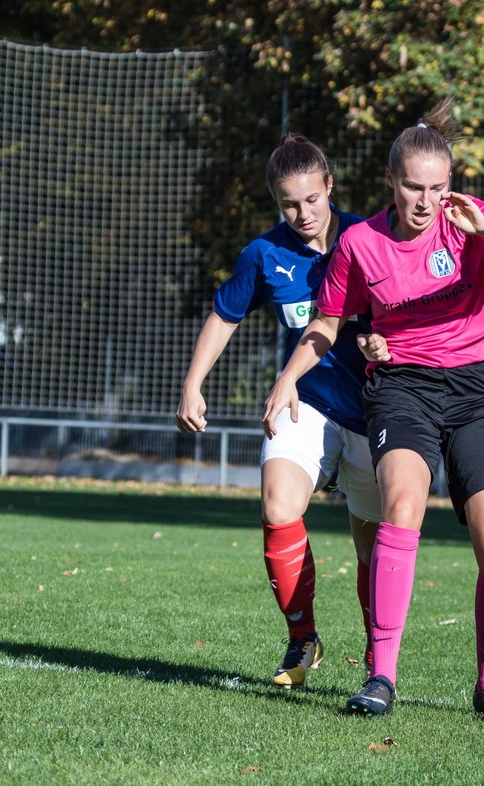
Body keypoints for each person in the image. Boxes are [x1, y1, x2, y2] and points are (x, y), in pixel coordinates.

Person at [262, 98, 484, 723]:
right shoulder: (361, 243)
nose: (426, 201)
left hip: (476, 389)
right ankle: (380, 675)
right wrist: (287, 380)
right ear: (391, 182)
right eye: (414, 187)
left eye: (438, 188)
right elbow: (326, 324)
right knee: (403, 506)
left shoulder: (468, 221)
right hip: (402, 388)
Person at [176, 134, 381, 688]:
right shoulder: (264, 254)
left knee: (373, 548)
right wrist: (193, 384)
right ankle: (302, 637)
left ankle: (377, 663)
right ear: (276, 202)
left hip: (373, 412)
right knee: (278, 507)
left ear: (330, 187)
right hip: (304, 401)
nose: (303, 213)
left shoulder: (369, 238)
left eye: (312, 200)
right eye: (289, 204)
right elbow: (224, 316)